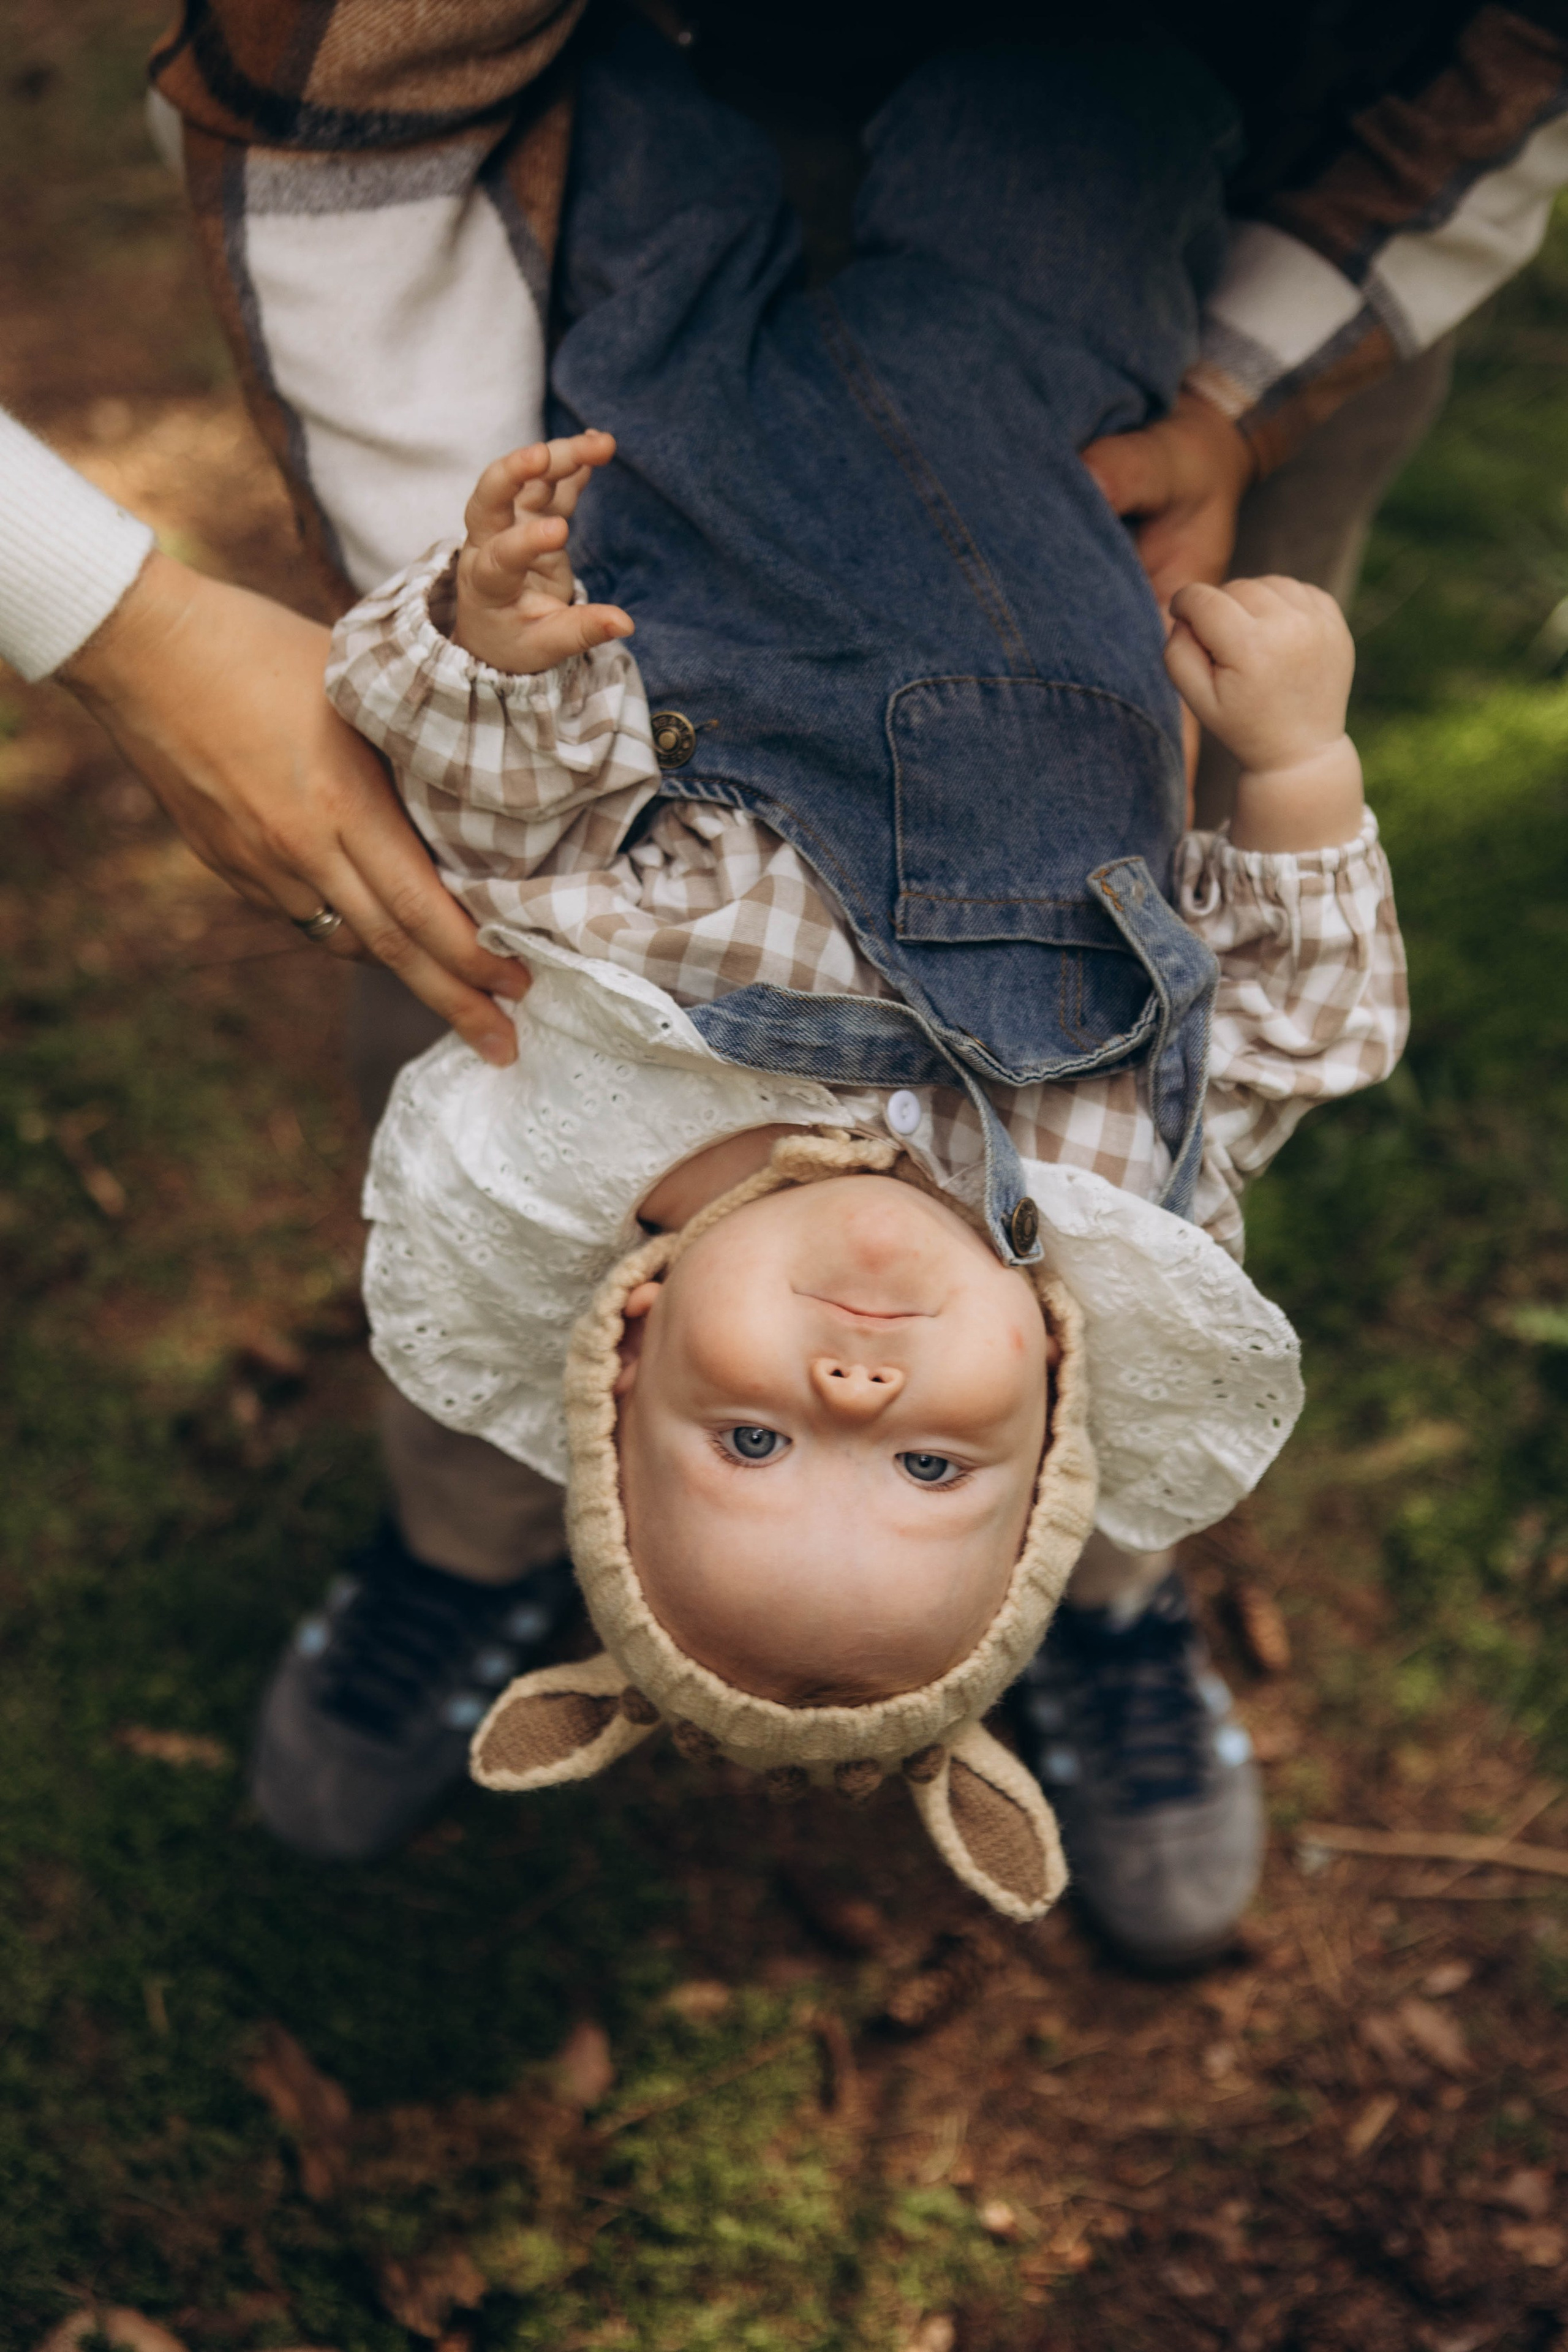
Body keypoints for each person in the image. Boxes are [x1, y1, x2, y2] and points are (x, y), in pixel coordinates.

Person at [0, 0, 1555, 1959]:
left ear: (628, 1336)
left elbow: (518, 816)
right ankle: (1114, 1609)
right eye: (928, 1461)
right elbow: (1318, 1022)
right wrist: (1302, 756)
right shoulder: (1121, 1196)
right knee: (1080, 120)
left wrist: (498, 635)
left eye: (752, 1443)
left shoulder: (605, 1092)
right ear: (1062, 1394)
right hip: (1068, 437)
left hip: (677, 449)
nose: (852, 1381)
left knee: (649, 151)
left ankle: (460, 1548)